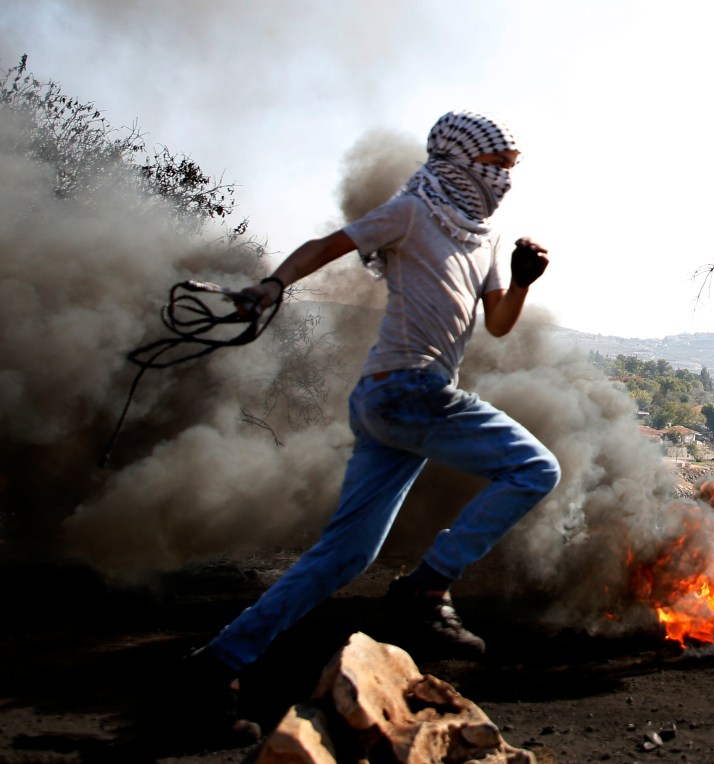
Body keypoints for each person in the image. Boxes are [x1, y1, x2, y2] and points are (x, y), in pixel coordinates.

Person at [182, 110, 561, 742]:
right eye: (497, 165)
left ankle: (214, 666)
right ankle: (428, 586)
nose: (504, 180)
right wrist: (273, 284)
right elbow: (329, 246)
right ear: (461, 159)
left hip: (396, 404)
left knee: (346, 554)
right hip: (405, 390)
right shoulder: (414, 210)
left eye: (511, 169)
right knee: (534, 468)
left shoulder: (486, 236)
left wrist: (520, 283)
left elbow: (497, 323)